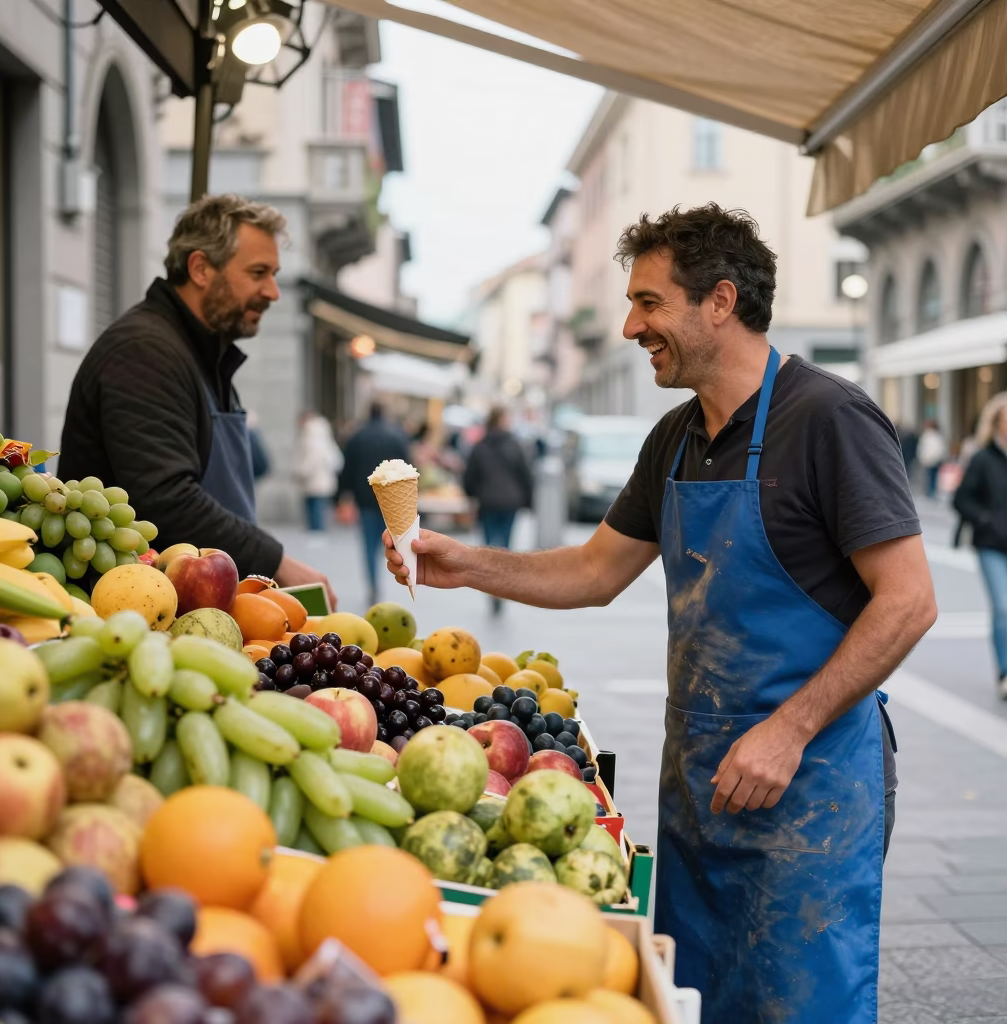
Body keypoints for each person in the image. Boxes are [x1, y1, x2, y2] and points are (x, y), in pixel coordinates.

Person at [384, 205, 936, 1024]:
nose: (628, 325)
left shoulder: (829, 419)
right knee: (693, 998)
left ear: (719, 300)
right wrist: (464, 563)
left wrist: (788, 730)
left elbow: (910, 601)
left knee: (800, 1003)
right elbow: (595, 569)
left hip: (811, 783)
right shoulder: (674, 437)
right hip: (701, 782)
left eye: (649, 303)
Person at [59, 194, 336, 607]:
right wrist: (277, 561)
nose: (273, 292)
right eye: (259, 273)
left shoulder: (203, 353)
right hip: (136, 612)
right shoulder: (144, 351)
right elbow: (165, 498)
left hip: (203, 603)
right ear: (201, 268)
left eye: (274, 274)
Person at [953, 394, 1007, 700]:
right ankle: (1005, 672)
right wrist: (985, 519)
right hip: (991, 545)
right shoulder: (982, 459)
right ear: (997, 423)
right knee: (1003, 607)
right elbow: (962, 499)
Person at [337, 402, 411, 607]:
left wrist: (342, 495)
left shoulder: (357, 437)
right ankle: (390, 570)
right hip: (390, 498)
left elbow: (347, 468)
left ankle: (373, 584)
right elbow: (407, 466)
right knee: (387, 540)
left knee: (369, 544)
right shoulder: (396, 435)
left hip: (366, 497)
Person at [463, 407, 533, 615]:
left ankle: (493, 587)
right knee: (505, 545)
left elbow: (469, 477)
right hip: (510, 502)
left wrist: (473, 495)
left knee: (490, 545)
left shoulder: (480, 446)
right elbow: (525, 475)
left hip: (487, 502)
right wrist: (528, 501)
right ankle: (500, 588)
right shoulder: (514, 444)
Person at [294, 411, 343, 531]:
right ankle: (317, 532)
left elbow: (312, 457)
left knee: (315, 508)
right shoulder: (323, 433)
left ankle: (316, 534)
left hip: (314, 478)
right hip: (322, 477)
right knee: (318, 506)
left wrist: (301, 471)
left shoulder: (311, 434)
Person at [917, 418, 948, 498]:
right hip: (934, 460)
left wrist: (922, 458)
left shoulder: (926, 436)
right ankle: (931, 491)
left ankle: (930, 491)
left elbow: (922, 448)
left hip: (929, 460)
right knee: (933, 477)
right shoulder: (937, 436)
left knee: (929, 476)